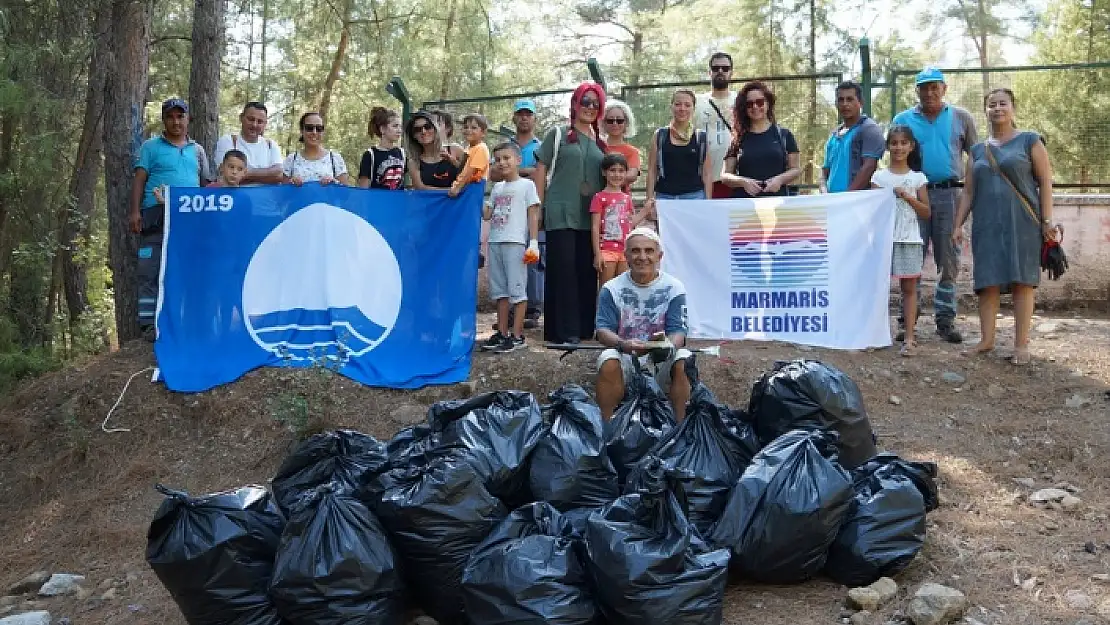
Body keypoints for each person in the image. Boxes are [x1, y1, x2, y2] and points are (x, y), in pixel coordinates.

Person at [953, 88, 1056, 365]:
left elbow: (1045, 182)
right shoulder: (976, 150)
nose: (997, 108)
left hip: (1023, 221)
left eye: (1003, 104)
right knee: (988, 281)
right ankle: (986, 341)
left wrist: (1047, 220)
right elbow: (969, 192)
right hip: (987, 223)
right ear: (985, 111)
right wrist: (958, 224)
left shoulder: (1029, 141)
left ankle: (1021, 344)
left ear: (1013, 108)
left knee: (1023, 280)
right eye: (991, 105)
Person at [892, 68, 978, 344]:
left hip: (949, 195)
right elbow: (894, 157)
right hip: (913, 196)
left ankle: (945, 319)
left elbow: (975, 157)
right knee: (910, 254)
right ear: (916, 90)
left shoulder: (961, 118)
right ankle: (909, 320)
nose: (929, 93)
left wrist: (972, 192)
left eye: (934, 87)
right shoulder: (903, 119)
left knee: (949, 260)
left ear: (944, 88)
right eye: (923, 87)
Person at [129, 98, 213, 334]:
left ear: (188, 119)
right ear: (164, 120)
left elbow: (206, 184)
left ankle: (185, 321)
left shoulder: (197, 150)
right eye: (171, 117)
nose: (176, 122)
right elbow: (139, 179)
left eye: (180, 116)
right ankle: (149, 325)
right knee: (151, 268)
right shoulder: (150, 147)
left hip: (189, 217)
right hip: (155, 215)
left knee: (185, 266)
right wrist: (135, 212)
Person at [533, 82, 608, 344]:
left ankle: (585, 328)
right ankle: (563, 332)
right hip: (560, 211)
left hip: (591, 216)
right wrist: (539, 207)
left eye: (595, 103)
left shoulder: (601, 142)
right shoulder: (558, 134)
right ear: (575, 104)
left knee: (586, 271)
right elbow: (541, 169)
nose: (590, 107)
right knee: (563, 271)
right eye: (585, 102)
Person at [595, 227, 692, 422]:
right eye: (635, 251)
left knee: (684, 358)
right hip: (626, 355)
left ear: (659, 256)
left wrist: (666, 345)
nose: (642, 257)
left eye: (649, 251)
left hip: (661, 358)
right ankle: (608, 429)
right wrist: (623, 344)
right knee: (608, 358)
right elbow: (602, 330)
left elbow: (679, 331)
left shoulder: (674, 288)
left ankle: (681, 429)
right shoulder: (611, 288)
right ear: (626, 256)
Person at [871, 125, 930, 356]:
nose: (898, 147)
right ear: (888, 147)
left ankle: (909, 337)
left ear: (911, 146)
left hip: (909, 239)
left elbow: (926, 212)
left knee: (909, 288)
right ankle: (877, 334)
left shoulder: (917, 178)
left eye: (903, 143)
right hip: (883, 240)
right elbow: (872, 209)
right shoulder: (879, 177)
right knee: (879, 287)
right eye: (894, 143)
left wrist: (907, 196)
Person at [479, 142, 541, 353]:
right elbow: (487, 214)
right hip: (495, 241)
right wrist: (477, 189)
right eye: (498, 159)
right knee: (500, 292)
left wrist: (533, 242)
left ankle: (517, 335)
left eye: (507, 158)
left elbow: (533, 213)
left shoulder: (527, 185)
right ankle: (502, 333)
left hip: (515, 242)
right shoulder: (497, 188)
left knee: (517, 290)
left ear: (517, 160)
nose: (502, 163)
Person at [491, 99, 545, 330]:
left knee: (530, 267)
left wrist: (518, 172)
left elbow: (541, 174)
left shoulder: (540, 146)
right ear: (514, 117)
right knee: (503, 281)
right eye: (520, 114)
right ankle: (505, 325)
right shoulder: (506, 146)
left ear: (534, 118)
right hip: (500, 228)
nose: (524, 118)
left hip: (525, 215)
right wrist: (525, 170)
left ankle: (530, 313)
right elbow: (494, 173)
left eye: (528, 114)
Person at [720, 81, 801, 198]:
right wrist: (743, 182)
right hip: (745, 204)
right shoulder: (737, 138)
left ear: (768, 104)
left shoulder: (784, 135)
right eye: (749, 104)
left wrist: (779, 180)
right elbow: (725, 175)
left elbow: (796, 169)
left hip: (777, 202)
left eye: (760, 102)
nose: (755, 107)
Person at [646, 89, 712, 209]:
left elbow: (707, 174)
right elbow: (652, 170)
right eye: (678, 104)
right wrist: (649, 203)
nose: (682, 108)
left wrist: (708, 202)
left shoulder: (700, 137)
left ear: (693, 108)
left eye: (687, 105)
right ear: (671, 107)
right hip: (665, 197)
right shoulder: (660, 135)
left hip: (694, 198)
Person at [592, 153, 649, 286]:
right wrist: (597, 254)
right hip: (606, 249)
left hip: (624, 251)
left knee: (623, 288)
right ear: (604, 172)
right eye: (612, 170)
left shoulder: (626, 198)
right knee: (606, 288)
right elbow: (595, 227)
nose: (617, 175)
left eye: (621, 171)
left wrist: (645, 210)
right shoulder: (599, 198)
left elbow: (630, 224)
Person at [822, 81, 885, 193]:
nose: (845, 104)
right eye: (841, 100)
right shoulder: (834, 135)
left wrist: (848, 198)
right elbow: (825, 170)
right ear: (836, 104)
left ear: (860, 103)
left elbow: (869, 167)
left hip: (856, 203)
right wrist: (823, 189)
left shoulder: (869, 129)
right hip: (831, 203)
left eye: (850, 99)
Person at [694, 51, 737, 199]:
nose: (720, 71)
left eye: (725, 68)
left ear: (731, 72)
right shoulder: (696, 101)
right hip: (702, 175)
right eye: (715, 68)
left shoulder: (741, 100)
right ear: (709, 72)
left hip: (733, 176)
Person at [212, 101, 283, 185]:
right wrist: (267, 175)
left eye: (260, 121)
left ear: (265, 124)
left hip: (265, 198)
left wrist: (245, 174)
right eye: (251, 119)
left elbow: (279, 175)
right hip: (235, 197)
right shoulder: (228, 141)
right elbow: (225, 175)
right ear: (241, 118)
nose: (254, 125)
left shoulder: (271, 145)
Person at [282, 112, 349, 185]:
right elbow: (284, 193)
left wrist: (334, 184)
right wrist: (291, 185)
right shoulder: (291, 160)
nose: (314, 132)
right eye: (309, 128)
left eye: (319, 128)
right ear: (301, 130)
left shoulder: (335, 159)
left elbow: (345, 194)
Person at [406, 110, 459, 189]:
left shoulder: (455, 150)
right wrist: (453, 190)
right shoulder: (413, 162)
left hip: (458, 201)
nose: (423, 131)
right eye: (417, 130)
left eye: (428, 127)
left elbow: (469, 175)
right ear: (413, 136)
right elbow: (420, 188)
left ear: (435, 128)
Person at [358, 106, 406, 190]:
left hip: (398, 202)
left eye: (400, 126)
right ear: (382, 129)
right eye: (395, 126)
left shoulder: (402, 153)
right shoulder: (370, 154)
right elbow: (363, 189)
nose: (399, 130)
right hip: (377, 202)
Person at [602, 99, 641, 191]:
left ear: (626, 123)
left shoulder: (632, 151)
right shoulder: (596, 147)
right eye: (610, 120)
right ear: (603, 123)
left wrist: (607, 180)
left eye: (619, 120)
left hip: (621, 201)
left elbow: (632, 175)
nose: (615, 124)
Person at [448, 114, 490, 197]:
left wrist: (458, 188)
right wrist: (452, 160)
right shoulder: (470, 148)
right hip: (464, 185)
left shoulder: (481, 148)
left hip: (473, 186)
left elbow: (471, 171)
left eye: (473, 128)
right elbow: (464, 169)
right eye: (466, 127)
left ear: (483, 133)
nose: (468, 130)